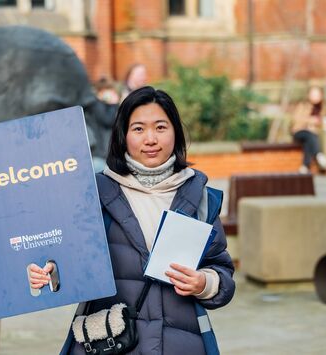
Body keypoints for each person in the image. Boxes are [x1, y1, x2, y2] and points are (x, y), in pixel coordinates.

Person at [29, 86, 236, 354]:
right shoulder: (92, 195)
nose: (150, 139)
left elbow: (222, 272)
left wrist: (205, 283)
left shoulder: (201, 197)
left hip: (181, 343)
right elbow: (65, 263)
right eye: (138, 129)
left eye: (161, 127)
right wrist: (46, 273)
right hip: (113, 342)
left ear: (176, 132)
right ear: (123, 136)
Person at [291, 86, 326, 174]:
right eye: (313, 94)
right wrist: (311, 121)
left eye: (317, 94)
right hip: (300, 131)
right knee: (310, 135)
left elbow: (322, 122)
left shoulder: (323, 107)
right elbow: (296, 119)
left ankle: (305, 166)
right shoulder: (303, 105)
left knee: (308, 143)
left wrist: (318, 123)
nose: (315, 96)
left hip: (313, 134)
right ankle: (318, 154)